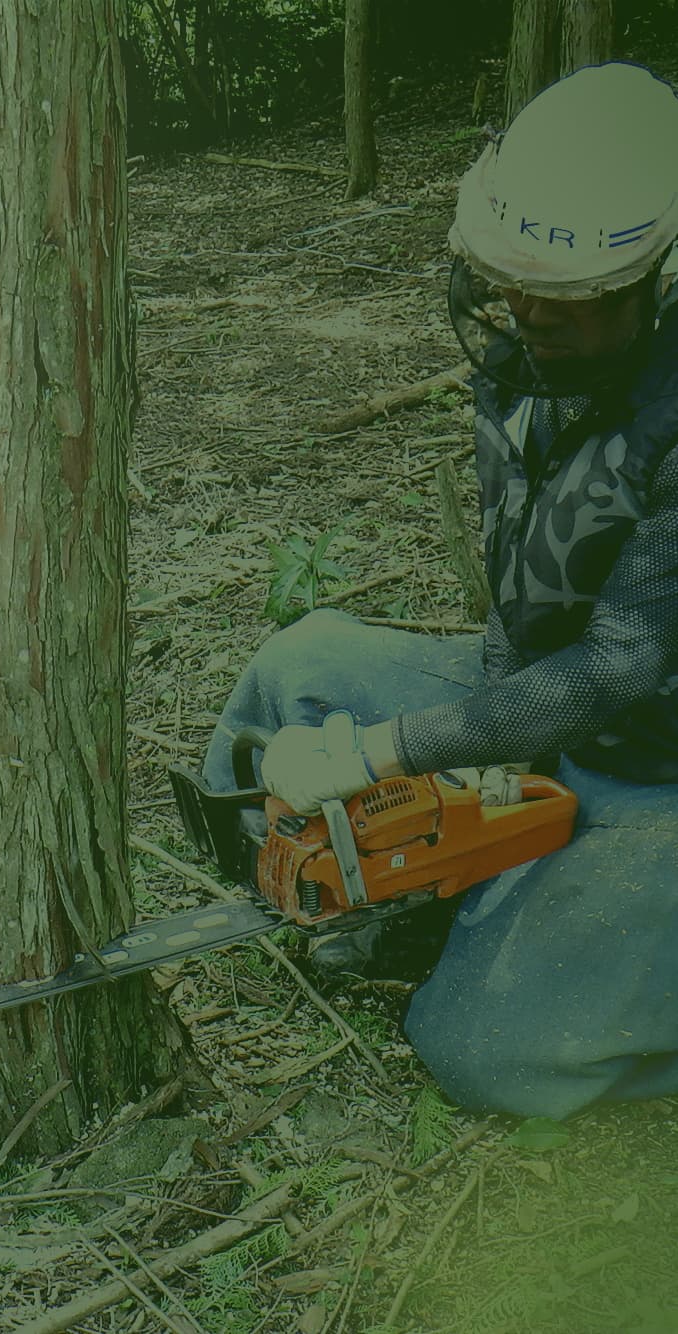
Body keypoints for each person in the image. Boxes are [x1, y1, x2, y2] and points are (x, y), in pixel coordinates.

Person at [202, 62, 678, 1119]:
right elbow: (526, 626)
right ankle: (346, 895)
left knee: (490, 1047)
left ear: (656, 279)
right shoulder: (523, 367)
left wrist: (387, 753)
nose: (526, 314)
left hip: (663, 768)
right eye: (513, 289)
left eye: (564, 300)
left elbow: (623, 661)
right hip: (555, 710)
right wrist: (456, 772)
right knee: (301, 667)